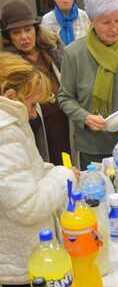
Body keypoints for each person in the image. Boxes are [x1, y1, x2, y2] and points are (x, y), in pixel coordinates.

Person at [0, 52, 75, 287]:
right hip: (18, 255)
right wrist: (60, 177)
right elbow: (27, 203)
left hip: (23, 249)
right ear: (12, 96)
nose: (35, 112)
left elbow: (29, 170)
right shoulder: (5, 133)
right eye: (32, 105)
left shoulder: (12, 123)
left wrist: (51, 171)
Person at [58, 0, 118, 170]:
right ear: (92, 22)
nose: (114, 28)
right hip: (93, 147)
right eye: (106, 22)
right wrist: (84, 117)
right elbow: (65, 97)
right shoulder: (74, 54)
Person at [1, 0, 71, 166]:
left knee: (69, 169)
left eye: (28, 29)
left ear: (36, 29)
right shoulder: (9, 67)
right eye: (16, 32)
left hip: (63, 125)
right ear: (8, 37)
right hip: (36, 132)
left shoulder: (53, 51)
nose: (24, 37)